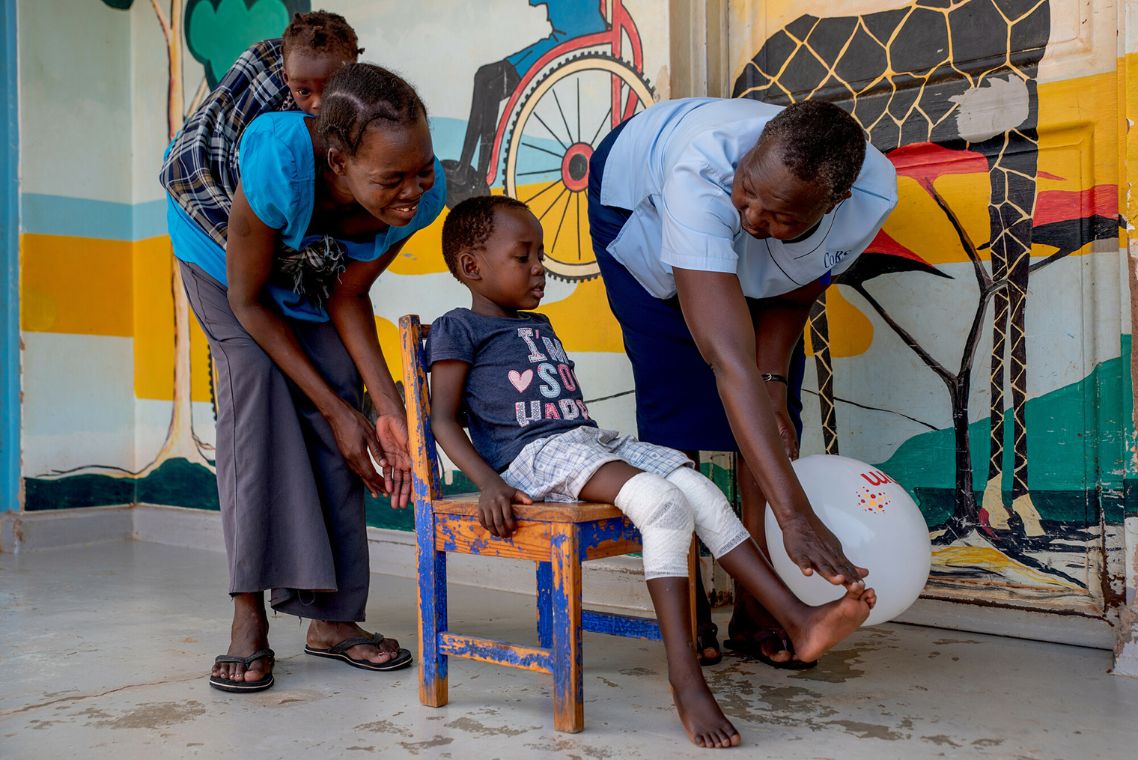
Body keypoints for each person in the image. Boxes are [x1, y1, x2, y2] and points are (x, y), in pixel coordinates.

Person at [426, 195, 876, 749]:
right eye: (525, 256)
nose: (540, 266)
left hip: (584, 443)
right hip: (532, 457)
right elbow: (443, 421)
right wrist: (488, 482)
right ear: (472, 267)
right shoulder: (457, 328)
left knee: (700, 490)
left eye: (541, 254)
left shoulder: (536, 323)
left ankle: (799, 619)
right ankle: (686, 682)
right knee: (661, 502)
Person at [164, 63, 446, 692]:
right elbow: (248, 300)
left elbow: (348, 296)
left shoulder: (422, 194)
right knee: (256, 395)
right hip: (223, 263)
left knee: (342, 384)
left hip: (305, 268)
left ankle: (333, 619)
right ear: (338, 160)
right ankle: (247, 615)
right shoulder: (279, 165)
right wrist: (335, 412)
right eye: (392, 179)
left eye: (421, 170)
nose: (412, 192)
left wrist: (383, 404)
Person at [586, 97, 898, 666]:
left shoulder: (869, 197)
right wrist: (797, 517)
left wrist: (773, 382)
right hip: (635, 200)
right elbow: (727, 355)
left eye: (781, 217)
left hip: (777, 216)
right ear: (749, 154)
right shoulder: (702, 172)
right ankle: (687, 595)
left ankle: (761, 597)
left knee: (775, 413)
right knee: (674, 387)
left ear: (833, 204)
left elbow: (792, 294)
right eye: (749, 191)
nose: (753, 220)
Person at [161, 10, 363, 249]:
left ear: (352, 74)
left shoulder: (363, 108)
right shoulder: (272, 122)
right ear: (286, 78)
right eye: (304, 92)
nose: (318, 103)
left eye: (330, 88)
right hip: (199, 202)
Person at [442, 0, 607, 206]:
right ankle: (463, 168)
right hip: (560, 38)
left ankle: (481, 176)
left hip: (569, 39)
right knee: (483, 76)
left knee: (491, 87)